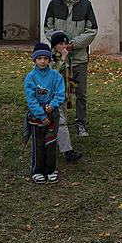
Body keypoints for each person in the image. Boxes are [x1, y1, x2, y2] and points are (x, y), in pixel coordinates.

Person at [44, 0, 98, 137]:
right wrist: (59, 45)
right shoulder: (54, 4)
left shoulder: (85, 5)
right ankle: (60, 122)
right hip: (59, 59)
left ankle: (81, 123)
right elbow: (48, 28)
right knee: (59, 92)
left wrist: (74, 44)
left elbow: (92, 30)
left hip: (79, 58)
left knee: (80, 93)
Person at [24, 43, 66, 183]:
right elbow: (31, 99)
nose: (42, 61)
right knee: (39, 144)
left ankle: (51, 169)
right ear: (34, 60)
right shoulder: (31, 77)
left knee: (51, 143)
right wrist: (42, 114)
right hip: (37, 117)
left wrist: (52, 106)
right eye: (39, 58)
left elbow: (60, 94)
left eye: (45, 58)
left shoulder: (55, 76)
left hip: (52, 114)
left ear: (49, 60)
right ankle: (37, 170)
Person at [50, 30, 84, 163]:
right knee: (61, 122)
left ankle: (53, 144)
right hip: (54, 97)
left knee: (60, 121)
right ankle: (67, 151)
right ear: (54, 46)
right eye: (60, 44)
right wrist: (63, 59)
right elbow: (54, 75)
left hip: (64, 95)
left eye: (65, 43)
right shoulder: (51, 59)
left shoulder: (67, 57)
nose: (64, 46)